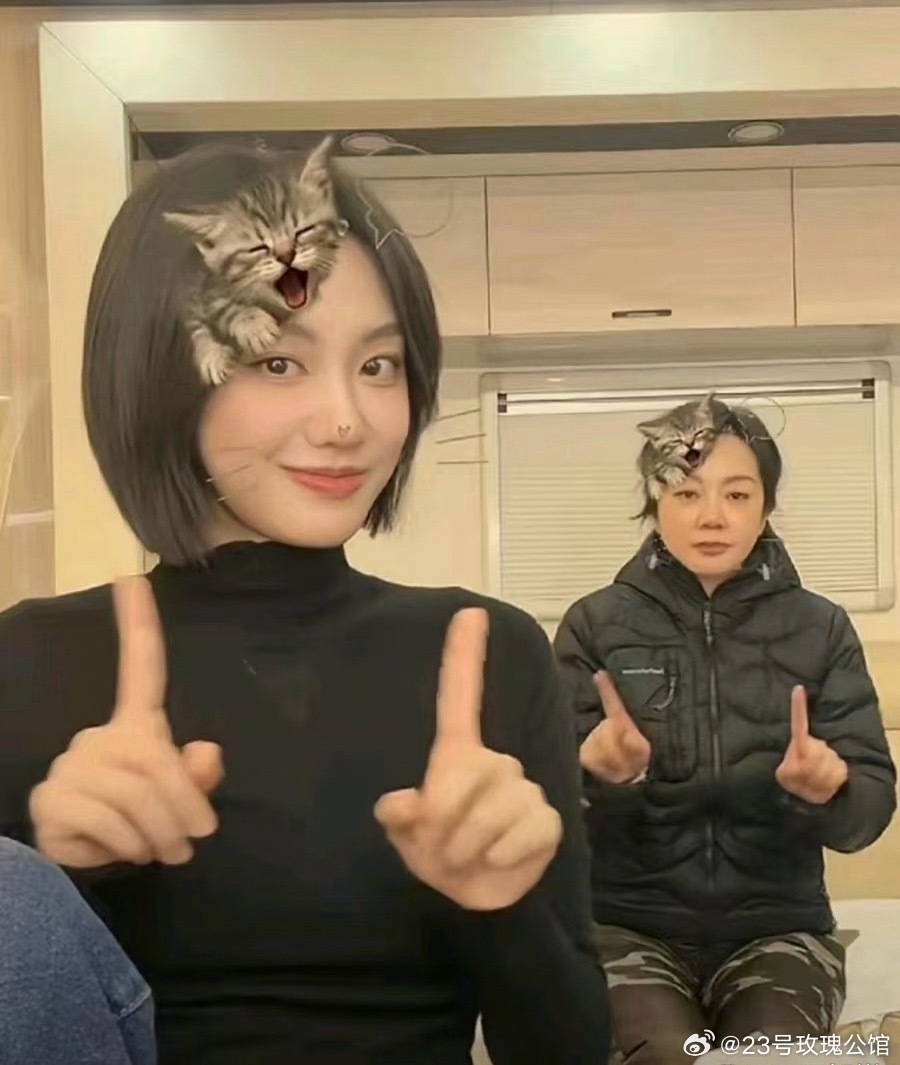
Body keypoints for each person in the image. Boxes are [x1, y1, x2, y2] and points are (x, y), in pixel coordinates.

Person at [0, 143, 610, 1065]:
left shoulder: (487, 651)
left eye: (380, 365)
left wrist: (505, 907)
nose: (347, 420)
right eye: (277, 361)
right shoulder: (31, 661)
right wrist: (49, 876)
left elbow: (569, 1049)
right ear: (159, 369)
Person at [553, 395, 896, 1064]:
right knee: (666, 1053)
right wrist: (593, 774)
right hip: (626, 929)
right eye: (686, 492)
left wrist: (830, 789)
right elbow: (543, 809)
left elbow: (870, 812)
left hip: (780, 930)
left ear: (765, 506)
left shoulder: (821, 628)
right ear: (656, 502)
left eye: (737, 494)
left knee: (764, 1055)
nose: (712, 515)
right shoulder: (593, 625)